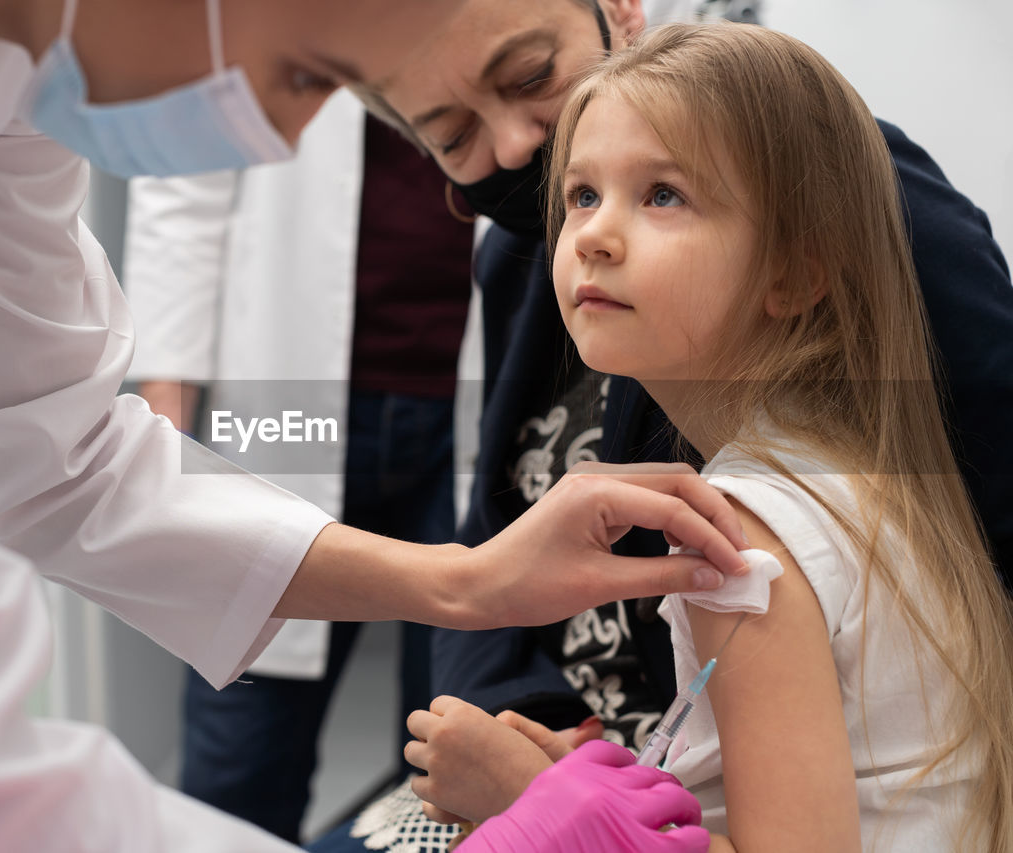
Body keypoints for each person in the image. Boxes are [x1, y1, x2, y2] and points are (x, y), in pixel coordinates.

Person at [0, 0, 754, 849]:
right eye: (310, 78)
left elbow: (66, 457)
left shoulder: (11, 101)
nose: (288, 135)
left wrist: (462, 584)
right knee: (245, 733)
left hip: (424, 420)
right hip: (289, 401)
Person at [309, 0, 1013, 850]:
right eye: (581, 196)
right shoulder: (800, 477)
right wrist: (550, 741)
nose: (513, 153)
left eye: (663, 195)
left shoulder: (734, 547)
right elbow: (495, 533)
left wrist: (551, 799)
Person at [123, 88, 476, 841]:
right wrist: (165, 406)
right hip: (291, 395)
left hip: (476, 401)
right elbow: (186, 170)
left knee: (447, 759)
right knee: (239, 751)